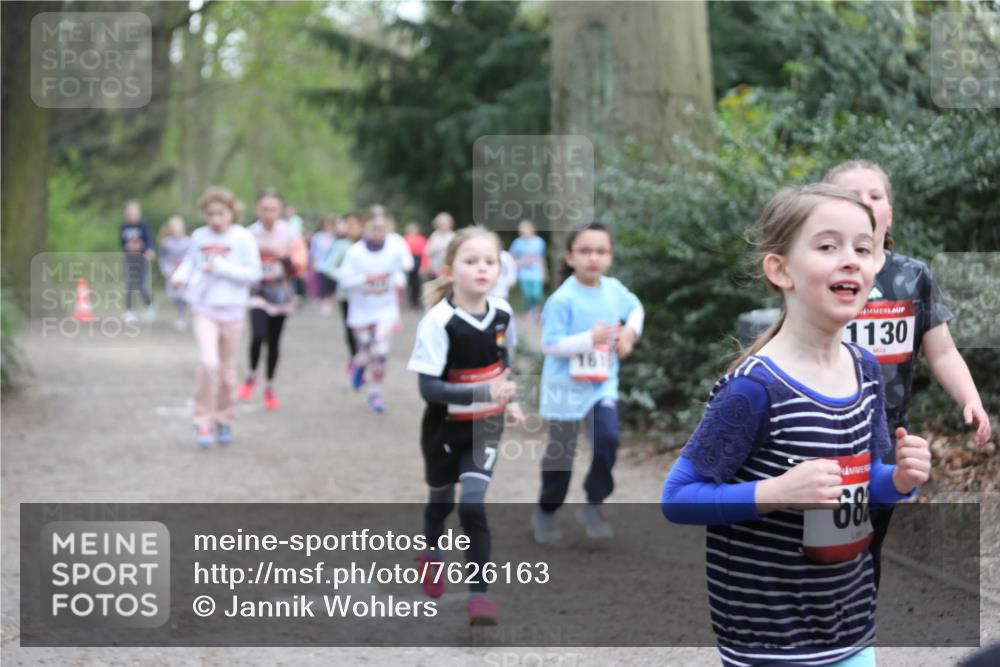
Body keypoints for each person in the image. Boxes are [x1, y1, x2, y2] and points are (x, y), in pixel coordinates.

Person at [661, 184, 932, 667]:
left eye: (863, 248)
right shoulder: (753, 388)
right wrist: (778, 492)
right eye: (828, 246)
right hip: (769, 638)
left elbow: (861, 485)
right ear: (779, 269)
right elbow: (679, 499)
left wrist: (900, 481)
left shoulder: (866, 370)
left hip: (850, 623)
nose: (850, 260)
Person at [824, 159, 991, 588]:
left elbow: (943, 352)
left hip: (886, 440)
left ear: (889, 214)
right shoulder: (818, 275)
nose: (864, 203)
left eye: (875, 196)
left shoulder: (912, 276)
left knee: (867, 547)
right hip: (821, 435)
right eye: (851, 196)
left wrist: (970, 399)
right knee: (827, 548)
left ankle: (852, 637)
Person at [406, 226, 524, 626]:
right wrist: (482, 393)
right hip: (442, 430)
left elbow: (505, 366)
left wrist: (511, 400)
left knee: (472, 504)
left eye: (489, 261)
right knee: (442, 502)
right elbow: (429, 389)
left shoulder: (504, 313)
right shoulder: (439, 321)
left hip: (484, 428)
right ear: (449, 270)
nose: (481, 268)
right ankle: (431, 551)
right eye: (471, 261)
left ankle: (480, 595)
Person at [531, 221, 644, 543]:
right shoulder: (562, 299)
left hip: (601, 384)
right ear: (569, 257)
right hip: (565, 385)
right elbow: (550, 345)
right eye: (585, 250)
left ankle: (593, 503)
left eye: (601, 251)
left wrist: (630, 334)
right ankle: (546, 511)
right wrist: (589, 338)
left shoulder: (614, 289)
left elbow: (636, 309)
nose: (593, 257)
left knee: (608, 438)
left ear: (609, 256)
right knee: (561, 455)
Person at [170, 187, 261, 447]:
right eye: (210, 214)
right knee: (209, 364)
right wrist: (179, 278)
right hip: (204, 308)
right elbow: (191, 263)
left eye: (221, 213)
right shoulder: (199, 236)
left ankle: (224, 419)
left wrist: (221, 267)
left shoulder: (243, 238)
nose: (215, 219)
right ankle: (202, 421)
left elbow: (253, 274)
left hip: (232, 310)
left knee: (227, 371)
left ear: (232, 212)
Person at [237, 189, 307, 410]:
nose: (268, 213)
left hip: (280, 294)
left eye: (273, 209)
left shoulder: (289, 235)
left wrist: (283, 256)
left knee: (274, 342)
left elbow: (299, 268)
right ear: (257, 209)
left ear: (280, 210)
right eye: (264, 208)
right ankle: (250, 376)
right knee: (258, 335)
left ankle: (269, 385)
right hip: (257, 292)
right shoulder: (247, 234)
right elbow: (238, 264)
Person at [338, 212, 410, 412]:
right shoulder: (356, 252)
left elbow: (401, 273)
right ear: (366, 229)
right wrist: (365, 279)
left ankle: (375, 394)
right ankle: (359, 365)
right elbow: (344, 280)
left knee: (380, 352)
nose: (378, 232)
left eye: (381, 228)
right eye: (373, 228)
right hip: (360, 312)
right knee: (364, 352)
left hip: (385, 310)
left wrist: (397, 282)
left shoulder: (394, 251)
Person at [321, 212, 364, 376]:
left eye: (355, 224)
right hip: (347, 295)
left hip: (366, 296)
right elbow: (329, 266)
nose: (352, 228)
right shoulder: (340, 245)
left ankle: (364, 357)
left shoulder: (368, 245)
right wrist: (347, 278)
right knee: (350, 329)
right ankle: (355, 358)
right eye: (349, 224)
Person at [119, 200, 156, 324]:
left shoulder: (142, 226)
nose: (132, 216)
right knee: (129, 284)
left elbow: (149, 240)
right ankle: (128, 311)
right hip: (129, 259)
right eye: (130, 213)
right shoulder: (124, 226)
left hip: (141, 259)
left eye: (135, 213)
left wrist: (149, 250)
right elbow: (122, 243)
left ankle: (150, 306)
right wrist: (127, 247)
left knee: (141, 285)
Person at [157, 215, 192, 331]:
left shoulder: (188, 242)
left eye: (178, 227)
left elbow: (191, 258)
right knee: (172, 296)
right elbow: (162, 257)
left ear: (183, 228)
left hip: (183, 274)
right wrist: (164, 269)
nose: (176, 230)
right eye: (174, 227)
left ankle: (180, 318)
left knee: (182, 296)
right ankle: (180, 311)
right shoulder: (166, 243)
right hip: (170, 273)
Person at [509, 219, 547, 322]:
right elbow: (511, 258)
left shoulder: (539, 242)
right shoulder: (517, 243)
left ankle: (537, 312)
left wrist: (544, 272)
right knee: (527, 295)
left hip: (536, 273)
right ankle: (530, 313)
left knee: (536, 294)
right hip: (523, 273)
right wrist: (521, 262)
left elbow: (542, 258)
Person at [310, 217, 338, 315]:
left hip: (331, 265)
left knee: (331, 284)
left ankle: (329, 299)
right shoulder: (318, 236)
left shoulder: (335, 237)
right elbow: (313, 250)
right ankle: (325, 301)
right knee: (323, 284)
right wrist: (312, 262)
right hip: (320, 265)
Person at [403, 222, 429, 310]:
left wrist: (424, 265)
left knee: (418, 283)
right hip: (409, 261)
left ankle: (418, 302)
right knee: (409, 283)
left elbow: (425, 253)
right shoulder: (404, 239)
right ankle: (411, 301)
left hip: (418, 261)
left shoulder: (422, 239)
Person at [424, 212, 455, 278]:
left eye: (445, 224)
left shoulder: (453, 236)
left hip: (449, 269)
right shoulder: (434, 236)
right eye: (441, 224)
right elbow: (427, 251)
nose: (443, 225)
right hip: (435, 270)